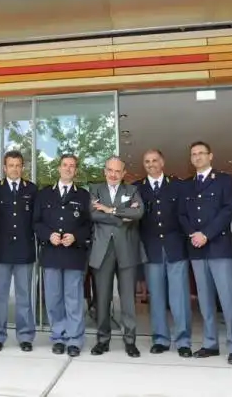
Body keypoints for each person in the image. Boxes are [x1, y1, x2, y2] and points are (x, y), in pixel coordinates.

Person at [179, 141, 232, 365]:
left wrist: (206, 234)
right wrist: (193, 235)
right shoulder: (186, 185)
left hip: (218, 247)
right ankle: (210, 344)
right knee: (205, 300)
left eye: (201, 153)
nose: (197, 157)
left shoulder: (224, 181)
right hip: (196, 249)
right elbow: (182, 215)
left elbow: (228, 211)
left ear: (210, 156)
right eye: (193, 154)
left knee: (228, 299)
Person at [33, 154, 92, 357]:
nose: (68, 169)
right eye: (65, 165)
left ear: (76, 171)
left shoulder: (84, 195)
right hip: (51, 253)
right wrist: (48, 235)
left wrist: (75, 236)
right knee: (53, 298)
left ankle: (75, 339)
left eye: (72, 166)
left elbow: (89, 225)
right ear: (58, 168)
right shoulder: (44, 194)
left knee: (73, 298)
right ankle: (58, 337)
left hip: (74, 254)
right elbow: (36, 222)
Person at [136, 149, 192, 357]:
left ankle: (183, 340)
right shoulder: (137, 188)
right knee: (157, 297)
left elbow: (185, 215)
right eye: (147, 161)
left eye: (154, 160)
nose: (151, 164)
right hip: (151, 250)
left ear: (162, 162)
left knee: (179, 297)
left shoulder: (177, 186)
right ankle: (160, 338)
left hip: (175, 247)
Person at [88, 156, 144, 357]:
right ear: (105, 171)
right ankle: (103, 340)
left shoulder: (132, 191)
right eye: (110, 170)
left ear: (123, 173)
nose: (113, 174)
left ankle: (130, 341)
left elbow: (138, 214)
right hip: (102, 251)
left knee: (128, 299)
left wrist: (110, 210)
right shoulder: (95, 190)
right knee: (102, 299)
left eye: (117, 171)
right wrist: (122, 217)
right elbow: (93, 215)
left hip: (126, 250)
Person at [0, 151, 38, 352]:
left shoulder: (32, 189)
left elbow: (36, 219)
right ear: (4, 168)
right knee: (0, 296)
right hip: (1, 251)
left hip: (24, 250)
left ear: (22, 167)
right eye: (11, 165)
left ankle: (25, 336)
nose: (15, 169)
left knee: (24, 296)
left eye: (18, 165)